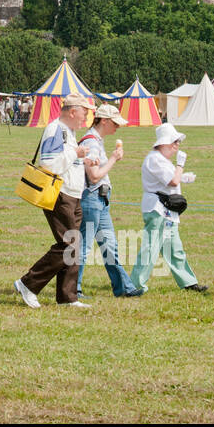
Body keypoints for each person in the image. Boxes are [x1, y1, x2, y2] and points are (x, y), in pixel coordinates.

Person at [14, 95, 93, 309]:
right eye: (84, 112)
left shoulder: (69, 132)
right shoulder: (55, 129)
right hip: (60, 194)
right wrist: (74, 153)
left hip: (73, 194)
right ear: (72, 111)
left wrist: (82, 159)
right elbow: (48, 163)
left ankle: (67, 297)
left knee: (73, 245)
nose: (87, 116)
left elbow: (65, 159)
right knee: (68, 244)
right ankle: (28, 284)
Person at [130, 124, 206, 293]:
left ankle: (188, 282)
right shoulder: (154, 159)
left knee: (174, 248)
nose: (177, 145)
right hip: (158, 210)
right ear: (163, 143)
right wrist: (180, 165)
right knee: (151, 248)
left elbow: (173, 178)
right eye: (174, 142)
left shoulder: (161, 160)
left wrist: (184, 177)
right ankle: (135, 284)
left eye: (177, 142)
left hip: (166, 211)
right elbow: (172, 181)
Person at [77, 104, 143, 299]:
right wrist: (114, 159)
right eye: (115, 123)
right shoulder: (91, 142)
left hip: (100, 200)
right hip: (92, 199)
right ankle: (73, 289)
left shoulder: (96, 140)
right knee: (84, 247)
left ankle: (124, 287)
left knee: (110, 245)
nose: (117, 127)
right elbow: (95, 176)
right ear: (103, 121)